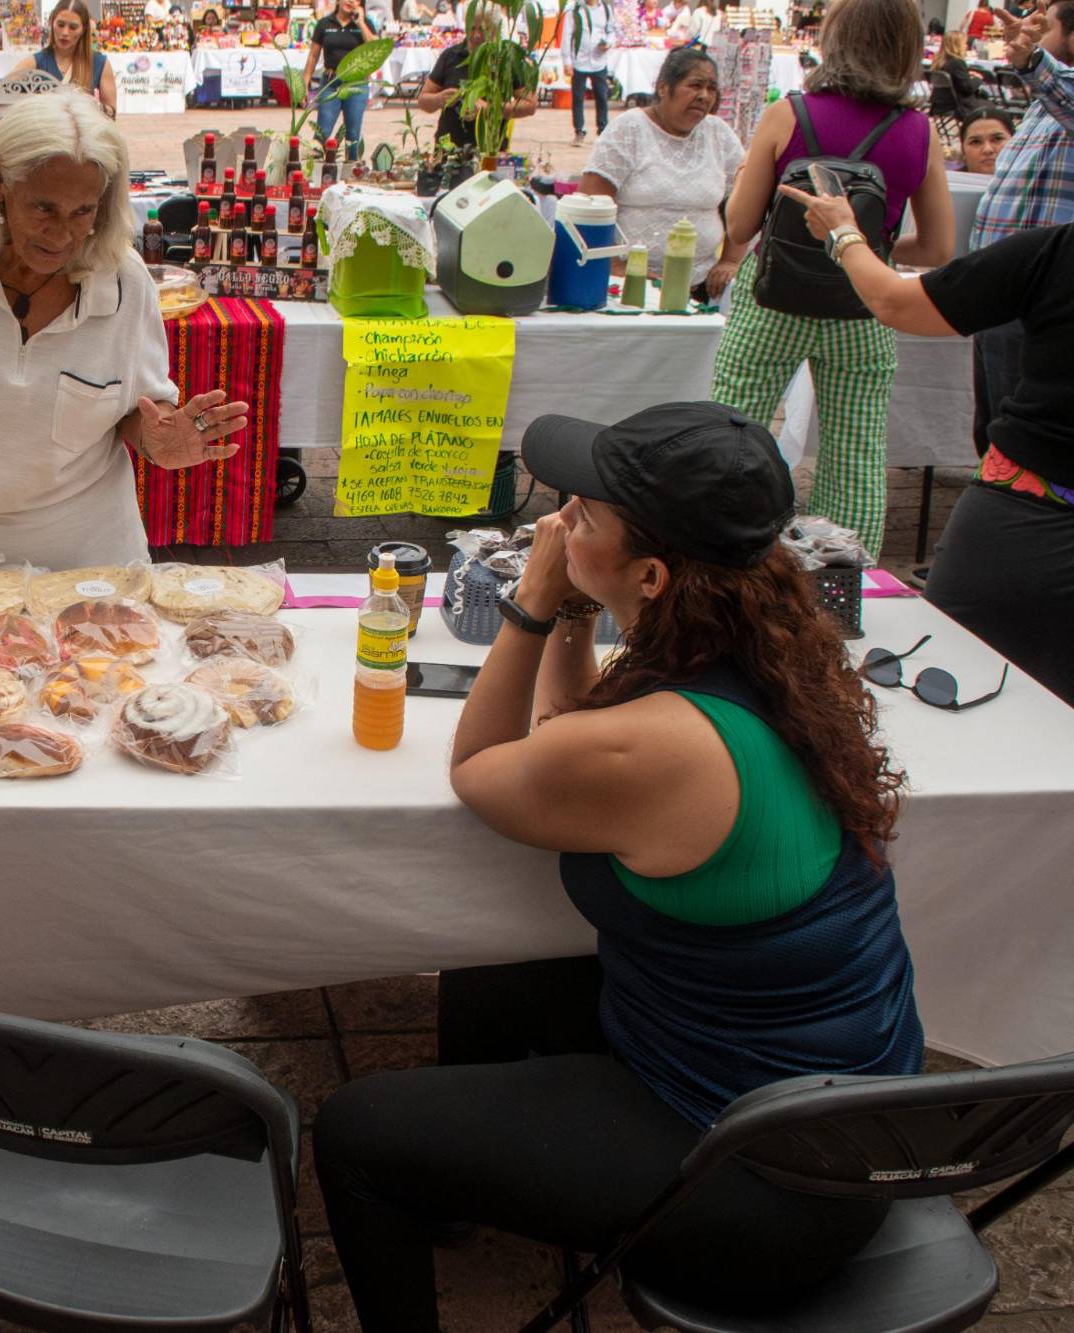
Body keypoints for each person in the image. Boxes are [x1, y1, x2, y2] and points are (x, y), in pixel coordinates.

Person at [314, 401, 923, 1333]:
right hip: (830, 1103)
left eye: (583, 514)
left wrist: (529, 604)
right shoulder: (757, 653)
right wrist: (574, 615)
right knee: (495, 967)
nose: (556, 523)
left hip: (769, 1180)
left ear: (652, 571)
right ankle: (451, 1191)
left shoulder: (662, 746)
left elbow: (483, 771)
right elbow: (577, 735)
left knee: (354, 1131)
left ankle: (409, 1194)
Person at [0, 93, 248, 567]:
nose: (62, 235)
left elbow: (136, 406)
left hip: (90, 567)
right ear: (0, 181)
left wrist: (157, 439)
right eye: (43, 208)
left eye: (83, 212)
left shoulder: (125, 281)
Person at [780, 153, 1074, 701]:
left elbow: (895, 301)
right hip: (1025, 517)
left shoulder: (1060, 252)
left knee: (957, 678)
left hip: (1027, 521)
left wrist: (844, 233)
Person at [711, 0, 951, 556]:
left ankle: (721, 561)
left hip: (771, 301)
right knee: (856, 453)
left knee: (732, 436)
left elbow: (741, 225)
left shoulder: (788, 114)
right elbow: (938, 247)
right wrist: (864, 249)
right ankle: (843, 587)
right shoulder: (918, 131)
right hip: (865, 303)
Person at [965, 3, 1073, 457]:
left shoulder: (1054, 92)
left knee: (1018, 439)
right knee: (993, 428)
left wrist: (1032, 61)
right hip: (1002, 295)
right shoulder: (1042, 105)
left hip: (1037, 300)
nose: (1028, 28)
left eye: (1042, 24)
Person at [580, 47, 746, 298]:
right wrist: (615, 266)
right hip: (631, 285)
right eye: (695, 85)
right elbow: (590, 204)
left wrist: (730, 261)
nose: (704, 96)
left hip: (703, 283)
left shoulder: (719, 133)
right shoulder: (628, 129)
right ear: (663, 88)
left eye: (711, 88)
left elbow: (745, 203)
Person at [418, 7, 537, 157]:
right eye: (471, 28)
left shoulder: (506, 60)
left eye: (483, 30)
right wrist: (439, 99)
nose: (475, 35)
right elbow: (423, 100)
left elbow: (530, 105)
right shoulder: (451, 56)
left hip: (490, 149)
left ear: (495, 30)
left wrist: (490, 109)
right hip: (448, 149)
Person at [6, 0, 115, 117]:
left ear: (83, 29)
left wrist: (96, 106)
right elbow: (4, 93)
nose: (65, 32)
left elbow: (112, 113)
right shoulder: (34, 62)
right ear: (52, 23)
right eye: (60, 25)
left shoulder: (100, 63)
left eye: (73, 27)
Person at [303, 0, 379, 158]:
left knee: (352, 134)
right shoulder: (324, 23)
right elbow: (313, 55)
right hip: (331, 82)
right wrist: (305, 81)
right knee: (322, 132)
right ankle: (318, 173)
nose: (350, 1)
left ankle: (350, 173)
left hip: (356, 84)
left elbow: (375, 49)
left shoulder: (365, 23)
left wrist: (361, 23)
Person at [561, 0, 615, 142]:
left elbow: (611, 30)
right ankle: (579, 130)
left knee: (602, 97)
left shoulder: (606, 9)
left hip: (599, 60)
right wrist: (567, 61)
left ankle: (603, 129)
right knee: (578, 97)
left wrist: (608, 43)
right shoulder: (574, 9)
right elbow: (566, 35)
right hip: (579, 59)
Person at [960, 105, 1015, 174]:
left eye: (997, 139)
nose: (987, 149)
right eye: (976, 142)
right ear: (963, 151)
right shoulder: (948, 183)